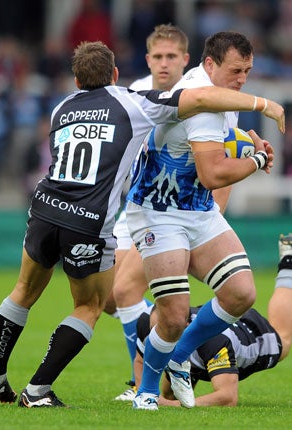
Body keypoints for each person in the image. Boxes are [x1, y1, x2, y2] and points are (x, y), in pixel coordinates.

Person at [0, 40, 281, 408]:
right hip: (90, 218)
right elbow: (196, 104)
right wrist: (261, 104)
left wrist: (238, 140)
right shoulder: (132, 101)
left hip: (43, 208)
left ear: (76, 79)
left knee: (23, 292)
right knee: (91, 305)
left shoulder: (61, 108)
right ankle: (39, 391)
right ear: (117, 74)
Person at [125, 31, 283, 410]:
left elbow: (222, 134)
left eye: (247, 70)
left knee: (241, 293)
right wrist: (257, 161)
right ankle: (145, 392)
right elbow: (213, 175)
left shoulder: (220, 94)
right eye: (235, 70)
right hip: (158, 212)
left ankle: (179, 357)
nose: (242, 79)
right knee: (174, 313)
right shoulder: (201, 99)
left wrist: (248, 139)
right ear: (209, 65)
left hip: (196, 209)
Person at [113, 23, 190, 401]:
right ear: (147, 59)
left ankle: (143, 379)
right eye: (158, 56)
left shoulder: (199, 96)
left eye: (171, 56)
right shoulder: (136, 94)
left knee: (126, 290)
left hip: (174, 211)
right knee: (118, 296)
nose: (164, 63)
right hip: (134, 206)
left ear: (185, 59)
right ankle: (172, 357)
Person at [134, 233, 292, 407]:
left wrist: (168, 405)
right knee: (170, 392)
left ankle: (288, 263)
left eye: (170, 333)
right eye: (159, 333)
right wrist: (144, 393)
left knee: (283, 338)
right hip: (202, 339)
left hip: (252, 333)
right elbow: (142, 360)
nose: (163, 336)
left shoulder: (214, 343)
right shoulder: (146, 324)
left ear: (185, 326)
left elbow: (227, 398)